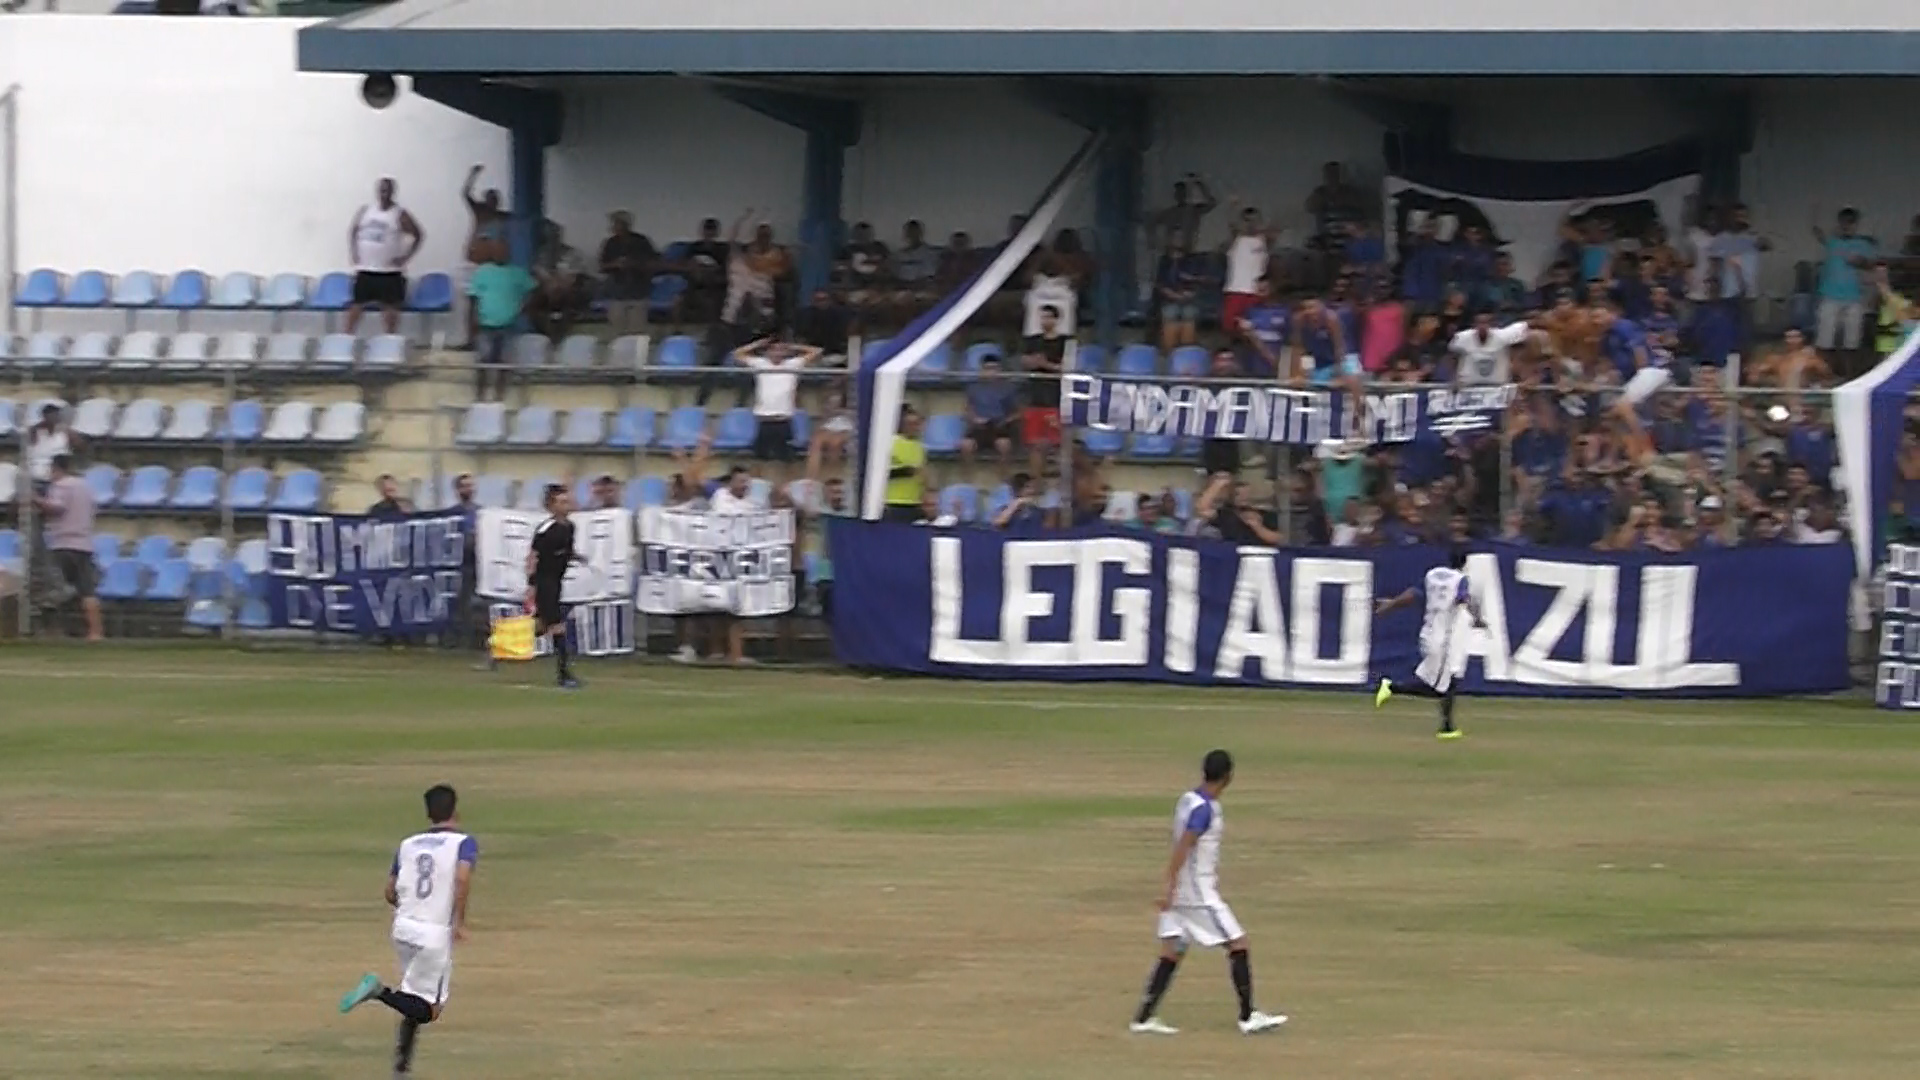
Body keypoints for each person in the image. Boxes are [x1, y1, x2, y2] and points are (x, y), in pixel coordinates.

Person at [1130, 749, 1287, 1037]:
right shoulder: (1205, 810)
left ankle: (1143, 1018)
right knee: (1238, 943)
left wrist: (1169, 887)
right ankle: (1248, 1015)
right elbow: (1186, 844)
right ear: (1228, 777)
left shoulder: (1187, 800)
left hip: (1182, 894)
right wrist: (1170, 883)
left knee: (1173, 950)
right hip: (1197, 894)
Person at [338, 784, 478, 1079]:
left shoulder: (408, 844)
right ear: (456, 812)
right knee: (429, 1009)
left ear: (428, 814)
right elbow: (462, 879)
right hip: (433, 934)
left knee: (413, 996)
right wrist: (459, 922)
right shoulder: (464, 843)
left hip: (403, 929)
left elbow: (390, 892)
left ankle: (400, 1070)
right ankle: (379, 991)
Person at [1372, 548, 1482, 739]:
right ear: (1465, 563)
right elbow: (1463, 598)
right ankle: (1391, 687)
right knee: (1439, 688)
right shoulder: (1461, 580)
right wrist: (1477, 617)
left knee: (1452, 679)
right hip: (1443, 640)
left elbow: (1413, 594)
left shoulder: (1432, 575)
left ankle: (1447, 727)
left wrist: (1390, 604)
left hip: (1429, 633)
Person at [347, 178, 424, 336]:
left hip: (389, 271)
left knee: (390, 308)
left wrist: (405, 257)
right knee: (356, 305)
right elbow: (353, 231)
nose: (384, 194)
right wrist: (353, 252)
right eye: (381, 190)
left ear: (393, 192)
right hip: (366, 269)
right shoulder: (366, 211)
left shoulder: (399, 214)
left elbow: (418, 235)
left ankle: (389, 340)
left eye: (387, 191)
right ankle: (346, 338)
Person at [37, 454, 102, 642]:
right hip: (84, 543)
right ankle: (95, 632)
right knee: (87, 590)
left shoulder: (60, 486)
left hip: (62, 543)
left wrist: (36, 500)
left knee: (57, 589)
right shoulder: (86, 487)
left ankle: (53, 630)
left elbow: (57, 508)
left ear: (55, 468)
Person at [526, 484, 581, 690]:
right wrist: (531, 585)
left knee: (539, 627)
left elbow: (566, 551)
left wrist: (576, 557)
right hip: (545, 582)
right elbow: (533, 557)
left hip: (557, 582)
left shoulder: (570, 527)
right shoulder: (545, 529)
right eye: (561, 502)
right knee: (557, 626)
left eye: (567, 501)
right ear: (551, 506)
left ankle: (497, 646)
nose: (567, 505)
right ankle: (564, 674)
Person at [467, 238, 536, 402]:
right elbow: (473, 299)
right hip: (485, 324)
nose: (501, 254)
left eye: (504, 251)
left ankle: (499, 395)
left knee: (504, 362)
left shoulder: (518, 273)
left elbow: (534, 291)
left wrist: (524, 307)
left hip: (509, 324)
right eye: (497, 251)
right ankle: (480, 395)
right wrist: (472, 320)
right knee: (483, 362)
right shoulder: (482, 272)